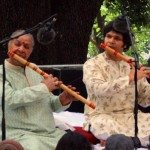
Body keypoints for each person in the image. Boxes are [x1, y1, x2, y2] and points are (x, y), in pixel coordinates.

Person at [0, 30, 76, 150]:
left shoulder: (35, 70)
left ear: (31, 51)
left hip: (49, 133)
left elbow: (51, 104)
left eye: (26, 47)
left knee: (75, 144)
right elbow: (11, 99)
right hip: (21, 134)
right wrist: (44, 87)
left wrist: (63, 99)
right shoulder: (1, 72)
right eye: (17, 44)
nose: (21, 49)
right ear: (9, 44)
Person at [83, 16, 150, 148]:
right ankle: (138, 141)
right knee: (102, 125)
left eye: (117, 38)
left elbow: (145, 100)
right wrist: (130, 78)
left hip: (130, 117)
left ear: (124, 45)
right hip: (103, 115)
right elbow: (98, 90)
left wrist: (146, 78)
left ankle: (129, 142)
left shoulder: (132, 63)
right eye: (108, 36)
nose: (111, 41)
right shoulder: (92, 64)